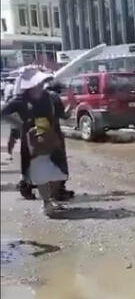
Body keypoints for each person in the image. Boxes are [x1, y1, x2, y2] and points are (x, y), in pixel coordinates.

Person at [1, 68, 76, 217]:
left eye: (42, 82)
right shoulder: (20, 100)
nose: (41, 85)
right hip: (32, 142)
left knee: (58, 173)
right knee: (39, 173)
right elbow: (3, 113)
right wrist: (20, 124)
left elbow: (64, 115)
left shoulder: (52, 97)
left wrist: (71, 106)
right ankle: (46, 202)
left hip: (53, 139)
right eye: (38, 82)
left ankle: (53, 197)